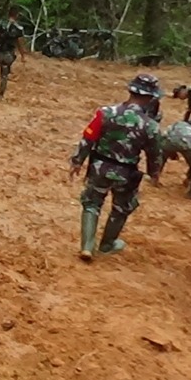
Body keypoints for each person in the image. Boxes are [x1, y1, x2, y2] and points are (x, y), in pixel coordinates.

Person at [69, 74, 163, 261]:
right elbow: (155, 154)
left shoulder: (106, 113)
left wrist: (77, 161)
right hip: (127, 173)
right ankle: (107, 244)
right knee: (121, 208)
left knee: (92, 203)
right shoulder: (150, 126)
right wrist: (154, 173)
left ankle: (87, 246)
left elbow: (88, 138)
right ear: (150, 98)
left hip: (99, 167)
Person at [157, 120, 191, 199]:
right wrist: (190, 175)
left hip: (172, 141)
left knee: (163, 155)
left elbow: (165, 136)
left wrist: (171, 153)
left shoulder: (178, 124)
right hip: (189, 145)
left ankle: (154, 178)